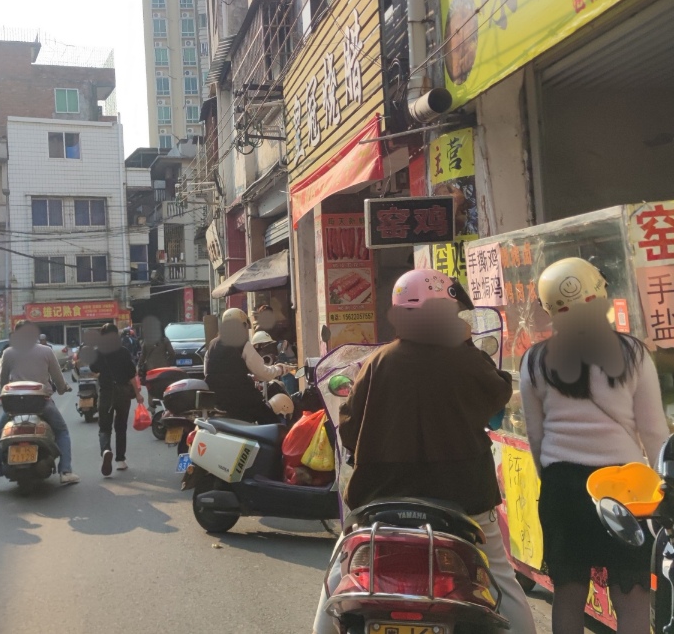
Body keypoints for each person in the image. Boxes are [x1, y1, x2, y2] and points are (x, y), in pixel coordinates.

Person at [314, 269, 536, 634]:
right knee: (500, 577)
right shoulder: (464, 359)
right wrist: (467, 346)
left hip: (379, 497)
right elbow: (497, 396)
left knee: (341, 571)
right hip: (464, 499)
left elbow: (349, 429)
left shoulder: (378, 361)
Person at [520, 257, 667, 634]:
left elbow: (536, 436)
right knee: (632, 594)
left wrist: (553, 481)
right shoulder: (633, 353)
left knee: (568, 593)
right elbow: (654, 432)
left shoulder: (534, 361)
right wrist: (664, 487)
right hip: (626, 490)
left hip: (563, 487)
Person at [0, 320, 79, 490]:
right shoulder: (46, 351)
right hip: (41, 402)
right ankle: (66, 471)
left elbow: (2, 382)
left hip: (14, 406)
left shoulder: (8, 352)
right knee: (62, 432)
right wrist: (62, 389)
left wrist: (3, 393)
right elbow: (58, 379)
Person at [204, 307, 292, 424]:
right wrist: (280, 369)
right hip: (242, 400)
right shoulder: (242, 344)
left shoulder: (212, 345)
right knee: (272, 423)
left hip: (218, 402)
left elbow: (210, 372)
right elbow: (264, 374)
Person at [90, 323, 143, 476]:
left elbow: (94, 370)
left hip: (106, 393)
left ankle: (106, 450)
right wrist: (138, 394)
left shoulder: (98, 352)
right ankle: (120, 460)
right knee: (121, 427)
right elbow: (132, 374)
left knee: (104, 428)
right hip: (123, 393)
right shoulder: (123, 351)